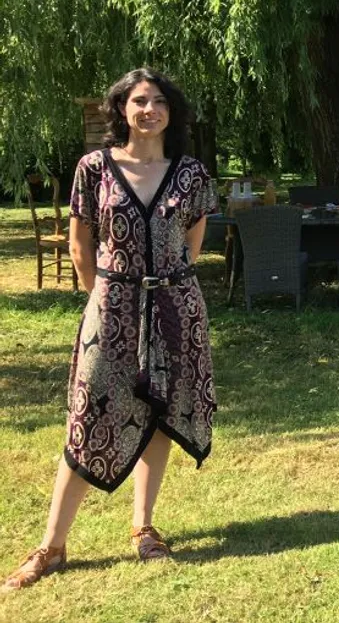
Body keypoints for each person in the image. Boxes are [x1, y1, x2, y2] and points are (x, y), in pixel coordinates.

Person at [4, 68, 219, 591]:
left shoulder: (190, 174)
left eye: (160, 101)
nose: (150, 109)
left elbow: (193, 240)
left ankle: (144, 528)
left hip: (176, 305)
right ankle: (52, 546)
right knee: (89, 416)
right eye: (139, 101)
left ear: (172, 111)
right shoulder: (94, 168)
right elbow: (81, 246)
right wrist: (104, 298)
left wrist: (166, 285)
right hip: (112, 304)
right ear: (121, 109)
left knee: (161, 412)